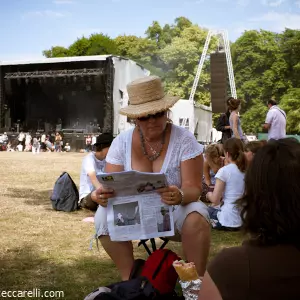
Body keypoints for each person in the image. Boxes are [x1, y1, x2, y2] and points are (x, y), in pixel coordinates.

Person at [90, 75, 210, 280]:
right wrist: (99, 195)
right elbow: (110, 186)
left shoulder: (185, 139)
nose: (152, 120)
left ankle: (194, 285)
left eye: (158, 113)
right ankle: (131, 280)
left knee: (197, 213)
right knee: (102, 215)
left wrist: (179, 195)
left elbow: (194, 189)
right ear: (135, 118)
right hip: (133, 216)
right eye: (145, 116)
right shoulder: (121, 143)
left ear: (167, 112)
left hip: (173, 213)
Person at [199, 138, 300, 300]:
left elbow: (215, 199)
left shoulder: (229, 268)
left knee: (203, 211)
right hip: (238, 220)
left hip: (228, 219)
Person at [206, 138, 246, 230]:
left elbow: (215, 200)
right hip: (243, 220)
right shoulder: (247, 170)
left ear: (227, 154)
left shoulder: (224, 171)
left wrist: (208, 195)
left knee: (204, 211)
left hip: (227, 221)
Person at [79, 133, 114, 211]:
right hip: (88, 196)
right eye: (111, 147)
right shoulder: (89, 159)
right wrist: (104, 192)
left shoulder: (108, 160)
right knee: (97, 195)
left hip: (102, 194)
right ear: (102, 147)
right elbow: (93, 179)